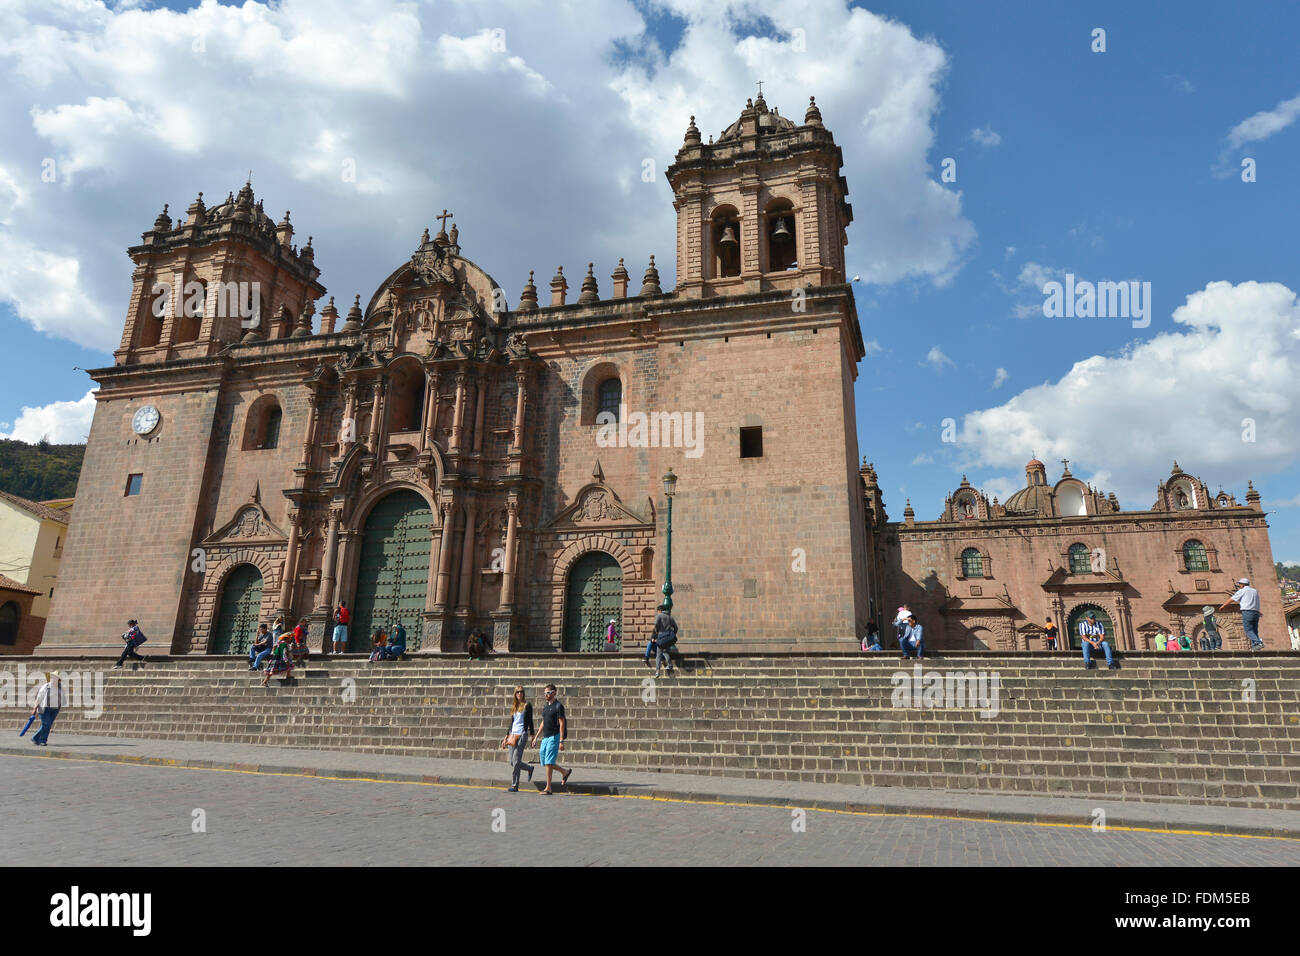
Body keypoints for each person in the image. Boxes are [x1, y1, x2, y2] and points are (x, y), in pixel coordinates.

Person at [529, 683, 572, 795]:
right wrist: (536, 737)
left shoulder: (558, 706)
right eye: (545, 693)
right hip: (545, 737)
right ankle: (564, 772)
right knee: (545, 761)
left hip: (554, 736)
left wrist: (561, 740)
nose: (546, 695)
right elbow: (543, 722)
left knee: (548, 763)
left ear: (554, 693)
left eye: (548, 692)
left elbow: (562, 723)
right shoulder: (546, 706)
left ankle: (548, 788)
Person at [501, 686, 535, 792]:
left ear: (523, 693)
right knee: (512, 761)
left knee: (516, 761)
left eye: (521, 692)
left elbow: (530, 721)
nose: (519, 694)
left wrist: (533, 735)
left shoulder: (527, 705)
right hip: (512, 734)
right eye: (517, 692)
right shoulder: (514, 706)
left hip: (522, 734)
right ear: (515, 694)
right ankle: (529, 768)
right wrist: (506, 737)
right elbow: (512, 723)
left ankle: (515, 785)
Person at [1218, 578, 1264, 650]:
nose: (1239, 586)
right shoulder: (1254, 591)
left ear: (1242, 584)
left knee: (1248, 629)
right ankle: (1255, 645)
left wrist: (1223, 605)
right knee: (1254, 630)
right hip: (1256, 612)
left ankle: (1258, 642)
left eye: (1239, 584)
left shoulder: (1242, 591)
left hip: (1247, 612)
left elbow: (1232, 599)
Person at [30, 672, 66, 746]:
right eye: (52, 677)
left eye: (55, 678)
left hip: (55, 709)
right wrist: (34, 708)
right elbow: (39, 698)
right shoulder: (46, 686)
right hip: (44, 708)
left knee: (47, 725)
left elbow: (62, 697)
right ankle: (42, 740)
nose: (53, 679)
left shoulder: (60, 687)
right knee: (47, 724)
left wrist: (60, 705)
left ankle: (35, 738)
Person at [652, 603, 678, 677]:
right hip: (668, 637)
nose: (657, 612)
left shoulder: (659, 616)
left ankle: (657, 671)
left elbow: (656, 625)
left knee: (658, 655)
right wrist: (672, 634)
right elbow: (676, 628)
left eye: (658, 611)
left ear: (660, 610)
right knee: (665, 651)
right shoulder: (670, 617)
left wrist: (657, 632)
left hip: (661, 637)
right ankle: (670, 665)